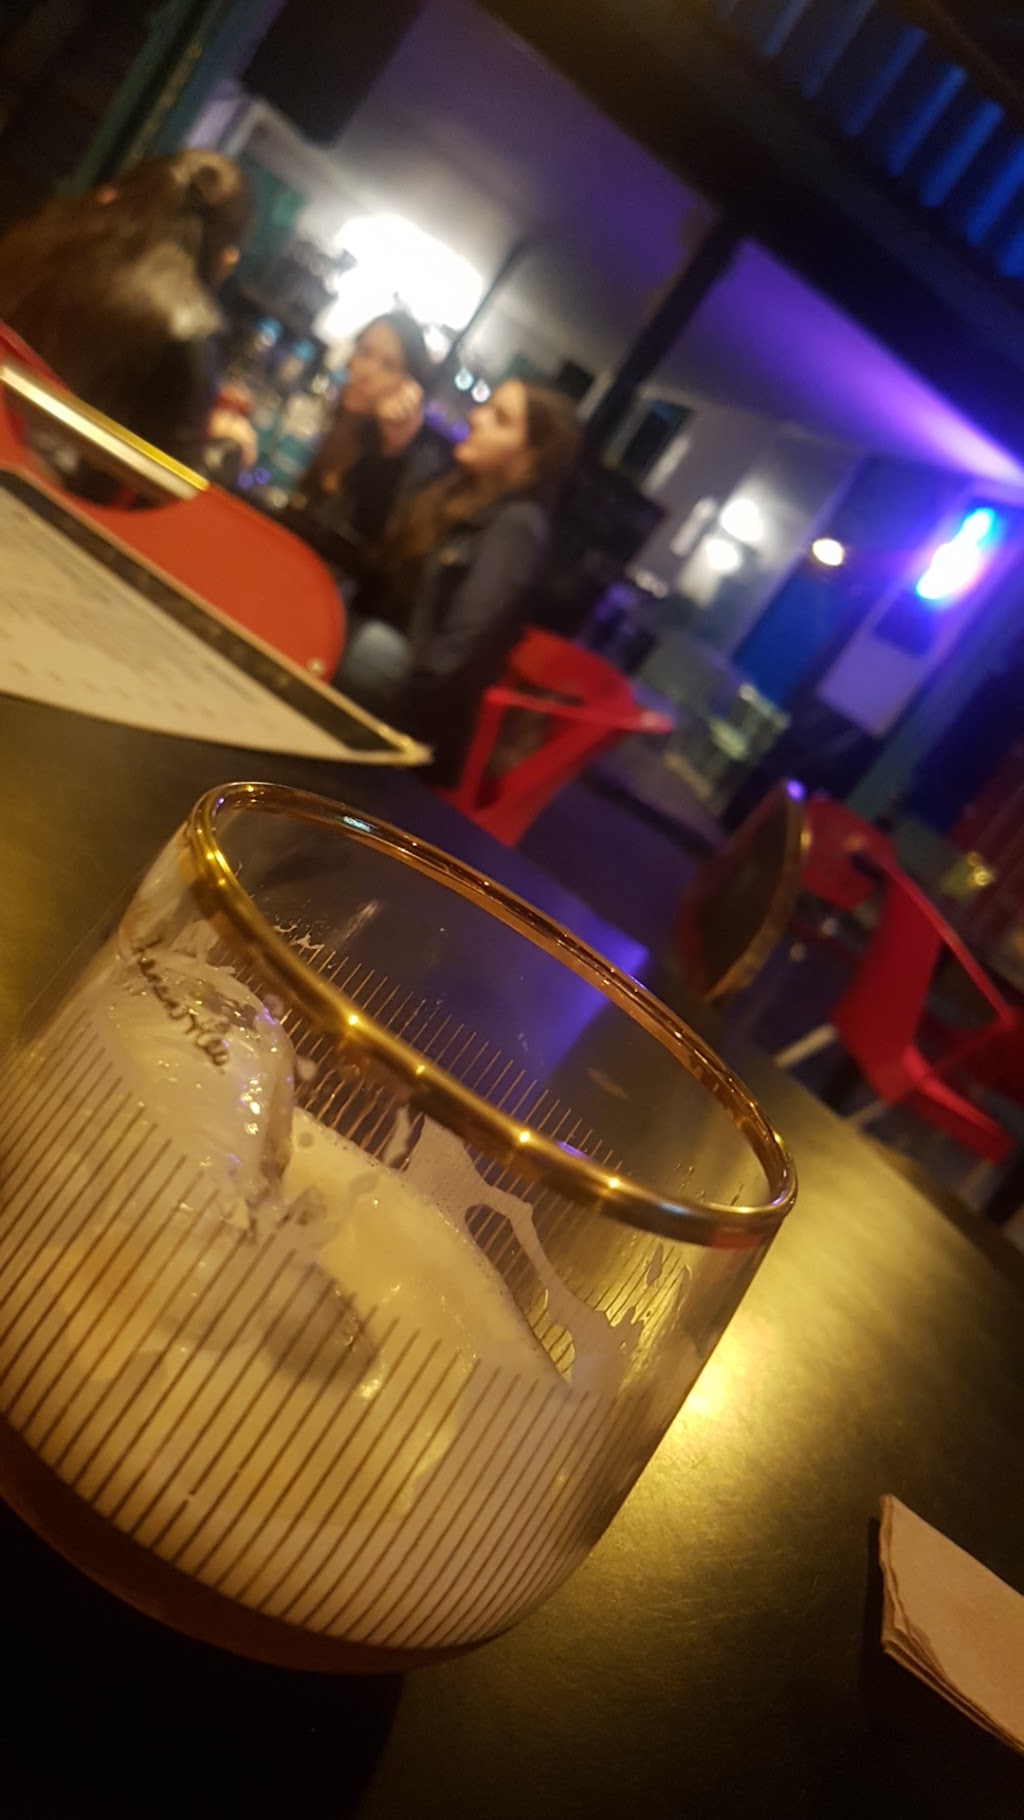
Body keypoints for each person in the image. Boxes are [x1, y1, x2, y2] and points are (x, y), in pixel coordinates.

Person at [338, 378, 580, 780]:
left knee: (346, 638)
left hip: (420, 706)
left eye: (499, 419)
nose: (475, 418)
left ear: (530, 458)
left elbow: (451, 659)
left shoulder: (517, 525)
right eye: (486, 407)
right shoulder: (453, 490)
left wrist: (405, 708)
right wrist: (390, 451)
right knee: (319, 607)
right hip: (392, 652)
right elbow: (371, 552)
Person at [0, 149, 249, 467]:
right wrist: (227, 449)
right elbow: (168, 486)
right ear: (227, 258)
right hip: (33, 488)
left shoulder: (40, 234)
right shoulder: (190, 328)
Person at [292, 309, 441, 560]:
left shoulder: (398, 463)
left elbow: (364, 550)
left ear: (409, 388)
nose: (366, 372)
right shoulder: (319, 412)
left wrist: (390, 449)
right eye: (364, 352)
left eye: (388, 366)